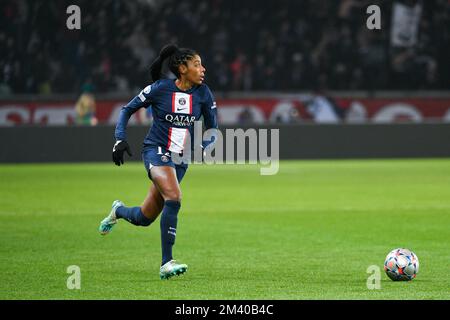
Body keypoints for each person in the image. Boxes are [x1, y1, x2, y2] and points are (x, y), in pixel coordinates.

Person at [98, 44, 218, 280]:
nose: (203, 69)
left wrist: (205, 146)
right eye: (197, 64)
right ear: (182, 68)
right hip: (156, 151)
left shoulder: (204, 93)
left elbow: (213, 128)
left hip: (180, 160)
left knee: (145, 217)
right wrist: (119, 139)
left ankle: (118, 211)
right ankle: (166, 263)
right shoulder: (160, 88)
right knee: (174, 197)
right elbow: (126, 110)